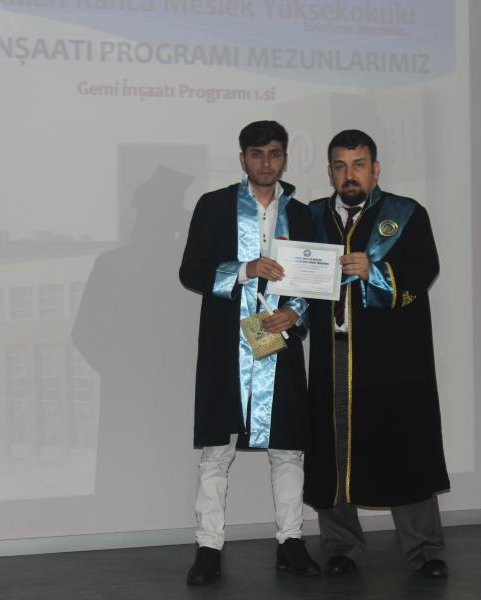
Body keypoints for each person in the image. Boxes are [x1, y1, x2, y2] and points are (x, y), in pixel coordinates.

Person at [304, 129, 451, 578]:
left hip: (394, 358)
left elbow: (423, 270)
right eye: (340, 166)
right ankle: (341, 547)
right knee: (333, 452)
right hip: (333, 355)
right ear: (330, 171)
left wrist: (375, 271)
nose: (349, 174)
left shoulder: (406, 214)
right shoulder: (311, 216)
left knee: (405, 446)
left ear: (375, 168)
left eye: (359, 164)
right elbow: (296, 284)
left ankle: (424, 550)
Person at [179, 120, 319, 585]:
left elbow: (316, 284)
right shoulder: (214, 206)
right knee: (216, 450)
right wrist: (245, 269)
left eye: (274, 153)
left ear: (285, 158)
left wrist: (296, 313)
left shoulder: (303, 215)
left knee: (288, 449)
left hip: (278, 342)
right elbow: (191, 272)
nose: (266, 162)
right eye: (257, 154)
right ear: (243, 158)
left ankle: (292, 542)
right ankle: (209, 548)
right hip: (226, 343)